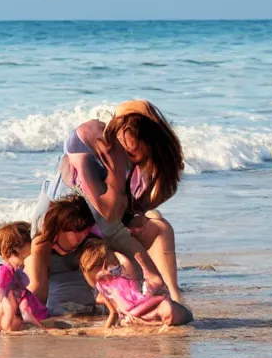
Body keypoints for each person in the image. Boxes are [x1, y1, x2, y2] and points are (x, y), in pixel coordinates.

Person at [32, 100, 184, 301]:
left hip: (92, 237)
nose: (132, 160)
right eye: (130, 154)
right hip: (66, 251)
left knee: (160, 227)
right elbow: (109, 216)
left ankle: (172, 294)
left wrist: (133, 214)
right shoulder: (90, 156)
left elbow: (113, 221)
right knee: (123, 260)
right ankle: (137, 296)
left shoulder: (119, 160)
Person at [79, 239, 193, 329]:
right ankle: (154, 323)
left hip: (142, 308)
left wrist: (110, 252)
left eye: (107, 265)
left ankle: (154, 322)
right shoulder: (101, 289)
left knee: (168, 309)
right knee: (165, 310)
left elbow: (124, 262)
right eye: (101, 266)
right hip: (135, 313)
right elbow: (111, 309)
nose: (108, 271)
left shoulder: (123, 275)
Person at [25, 196, 104, 316]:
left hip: (88, 295)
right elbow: (39, 287)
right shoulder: (42, 241)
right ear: (60, 229)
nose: (84, 234)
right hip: (58, 288)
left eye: (87, 230)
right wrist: (28, 314)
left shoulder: (91, 237)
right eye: (79, 231)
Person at [0, 222, 47, 333]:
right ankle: (1, 328)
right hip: (11, 303)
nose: (33, 244)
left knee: (19, 309)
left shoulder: (18, 267)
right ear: (17, 247)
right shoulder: (4, 270)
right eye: (30, 242)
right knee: (8, 307)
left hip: (20, 302)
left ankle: (1, 327)